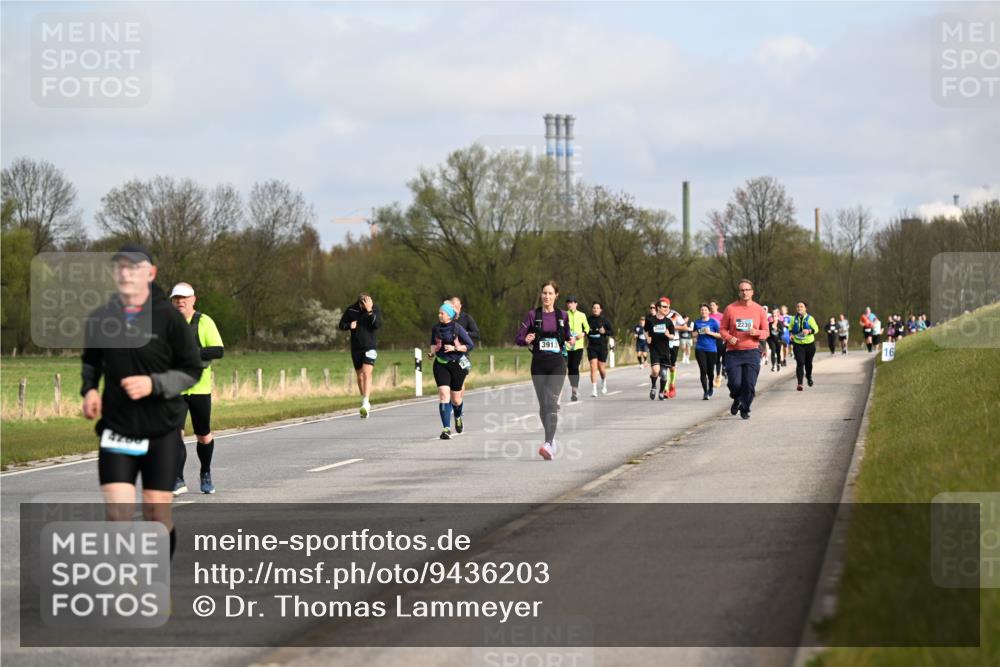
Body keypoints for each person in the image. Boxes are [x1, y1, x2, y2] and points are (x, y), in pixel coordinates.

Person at [81, 244, 202, 560]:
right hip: (118, 426)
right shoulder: (102, 317)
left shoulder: (169, 320)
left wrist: (154, 383)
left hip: (161, 427)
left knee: (155, 511)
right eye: (119, 267)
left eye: (133, 268)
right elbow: (91, 360)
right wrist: (90, 390)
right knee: (118, 514)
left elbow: (191, 370)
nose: (125, 273)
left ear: (150, 274)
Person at [169, 282, 225, 495]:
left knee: (203, 435)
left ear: (193, 299)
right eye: (176, 298)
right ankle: (178, 479)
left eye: (184, 298)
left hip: (200, 389)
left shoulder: (204, 322)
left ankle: (205, 472)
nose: (180, 302)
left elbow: (218, 351)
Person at [515, 281, 576, 461]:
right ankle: (551, 441)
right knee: (544, 406)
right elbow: (518, 338)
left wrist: (571, 340)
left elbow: (567, 336)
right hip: (538, 364)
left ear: (556, 295)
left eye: (550, 293)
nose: (547, 296)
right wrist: (526, 339)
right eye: (544, 293)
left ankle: (548, 443)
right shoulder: (533, 315)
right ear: (541, 295)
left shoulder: (562, 316)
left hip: (557, 363)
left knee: (551, 400)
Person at [720, 279, 768, 419]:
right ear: (739, 292)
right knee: (734, 383)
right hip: (733, 352)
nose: (745, 292)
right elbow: (722, 329)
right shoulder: (730, 309)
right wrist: (729, 337)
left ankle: (745, 408)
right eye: (742, 290)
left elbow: (766, 332)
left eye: (747, 290)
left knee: (749, 384)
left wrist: (756, 332)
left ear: (752, 292)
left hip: (752, 351)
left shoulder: (759, 310)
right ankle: (737, 398)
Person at [429, 302, 474, 440]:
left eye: (442, 313)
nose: (439, 315)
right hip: (441, 364)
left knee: (456, 399)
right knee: (443, 395)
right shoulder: (435, 328)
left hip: (457, 365)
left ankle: (458, 416)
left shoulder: (457, 328)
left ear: (449, 315)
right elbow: (433, 343)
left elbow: (470, 345)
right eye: (439, 313)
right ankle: (446, 428)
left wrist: (454, 348)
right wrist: (431, 353)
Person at [339, 292, 382, 418]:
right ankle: (365, 401)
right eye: (365, 304)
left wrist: (369, 311)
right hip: (356, 348)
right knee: (360, 377)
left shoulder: (374, 309)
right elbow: (341, 325)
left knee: (366, 373)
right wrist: (349, 325)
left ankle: (365, 402)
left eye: (369, 303)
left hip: (370, 346)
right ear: (360, 303)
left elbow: (377, 325)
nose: (368, 305)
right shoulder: (351, 310)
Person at [644, 299, 677, 400]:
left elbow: (673, 335)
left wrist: (668, 335)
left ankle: (662, 391)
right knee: (655, 371)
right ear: (658, 308)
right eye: (664, 307)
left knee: (663, 374)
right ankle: (653, 386)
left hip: (665, 350)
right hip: (654, 349)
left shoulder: (668, 321)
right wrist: (647, 338)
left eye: (667, 307)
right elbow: (645, 330)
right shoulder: (650, 320)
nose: (667, 308)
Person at [691, 304, 722, 400]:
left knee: (710, 372)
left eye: (705, 310)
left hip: (712, 349)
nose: (703, 311)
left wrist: (709, 332)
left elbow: (720, 335)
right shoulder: (697, 322)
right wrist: (698, 332)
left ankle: (711, 387)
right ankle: (705, 392)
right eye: (702, 310)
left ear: (709, 312)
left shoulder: (714, 322)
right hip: (700, 348)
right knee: (703, 371)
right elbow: (693, 334)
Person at [789, 302, 820, 391]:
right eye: (798, 306)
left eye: (801, 307)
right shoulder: (792, 319)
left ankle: (809, 376)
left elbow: (816, 329)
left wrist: (809, 331)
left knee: (808, 363)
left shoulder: (810, 318)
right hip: (798, 344)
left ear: (805, 309)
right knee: (800, 363)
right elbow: (790, 328)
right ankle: (800, 383)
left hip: (809, 344)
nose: (799, 308)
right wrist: (790, 334)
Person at [564, 296, 590, 402]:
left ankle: (574, 390)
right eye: (568, 303)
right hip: (567, 345)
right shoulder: (564, 315)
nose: (570, 304)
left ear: (576, 304)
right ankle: (573, 386)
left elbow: (587, 328)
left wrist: (582, 334)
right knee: (570, 368)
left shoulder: (582, 315)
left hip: (578, 345)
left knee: (575, 366)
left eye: (571, 302)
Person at [586, 301, 614, 397]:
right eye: (594, 308)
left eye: (597, 308)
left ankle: (603, 381)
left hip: (602, 346)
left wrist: (605, 331)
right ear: (592, 309)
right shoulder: (588, 319)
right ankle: (594, 390)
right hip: (592, 346)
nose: (595, 309)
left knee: (601, 368)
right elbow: (584, 330)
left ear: (600, 310)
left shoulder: (604, 320)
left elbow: (611, 332)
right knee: (593, 366)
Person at [662, 298, 689, 398]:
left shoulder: (674, 314)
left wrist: (671, 327)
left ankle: (672, 385)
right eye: (662, 305)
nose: (664, 308)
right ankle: (665, 389)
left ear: (669, 305)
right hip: (661, 342)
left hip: (674, 342)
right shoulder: (658, 315)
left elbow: (684, 327)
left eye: (666, 305)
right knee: (664, 365)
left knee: (671, 366)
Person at [708, 300, 725, 386]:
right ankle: (714, 375)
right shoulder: (707, 316)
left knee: (719, 358)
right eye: (710, 305)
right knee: (712, 359)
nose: (711, 307)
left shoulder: (721, 316)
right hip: (710, 339)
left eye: (713, 305)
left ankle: (719, 375)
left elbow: (725, 328)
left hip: (719, 338)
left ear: (717, 306)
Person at [767, 307, 784, 372]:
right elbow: (768, 332)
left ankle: (778, 364)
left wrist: (777, 329)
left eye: (775, 316)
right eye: (773, 316)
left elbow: (782, 332)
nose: (774, 318)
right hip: (771, 340)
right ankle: (773, 365)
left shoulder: (780, 323)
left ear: (778, 316)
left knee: (778, 352)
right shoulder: (770, 324)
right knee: (773, 352)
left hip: (778, 339)